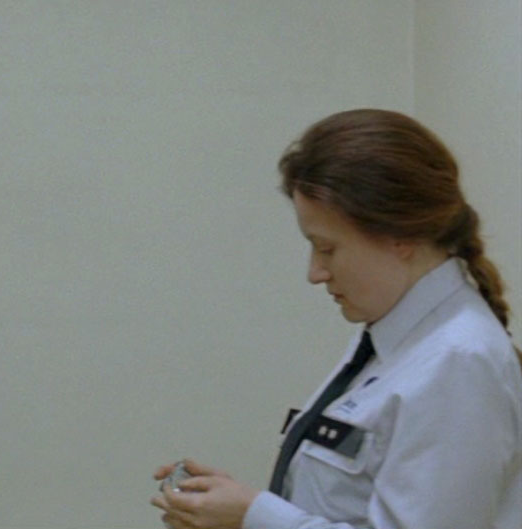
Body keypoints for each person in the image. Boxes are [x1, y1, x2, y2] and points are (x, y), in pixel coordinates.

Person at [150, 109, 522, 528]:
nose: (315, 273)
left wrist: (254, 515)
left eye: (327, 249)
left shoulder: (459, 364)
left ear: (400, 236)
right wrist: (234, 509)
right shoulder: (393, 341)